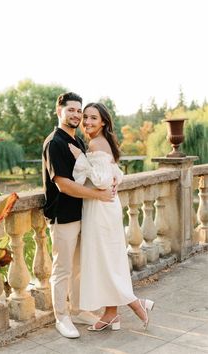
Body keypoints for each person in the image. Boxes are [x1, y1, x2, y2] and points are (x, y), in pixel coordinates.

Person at [69, 102, 154, 331]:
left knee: (105, 260)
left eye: (93, 118)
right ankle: (111, 314)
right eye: (85, 117)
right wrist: (113, 180)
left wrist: (80, 157)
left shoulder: (96, 143)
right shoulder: (104, 141)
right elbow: (116, 174)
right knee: (107, 259)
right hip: (106, 206)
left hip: (100, 208)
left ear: (103, 122)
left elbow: (101, 181)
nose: (87, 121)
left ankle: (137, 304)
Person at [42, 93, 115, 339]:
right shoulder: (55, 143)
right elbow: (64, 185)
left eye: (79, 111)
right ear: (59, 111)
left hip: (83, 214)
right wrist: (99, 196)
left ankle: (78, 310)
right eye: (71, 110)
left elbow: (94, 174)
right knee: (62, 269)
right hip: (63, 216)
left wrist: (111, 184)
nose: (76, 115)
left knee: (79, 267)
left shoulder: (79, 142)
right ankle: (61, 317)